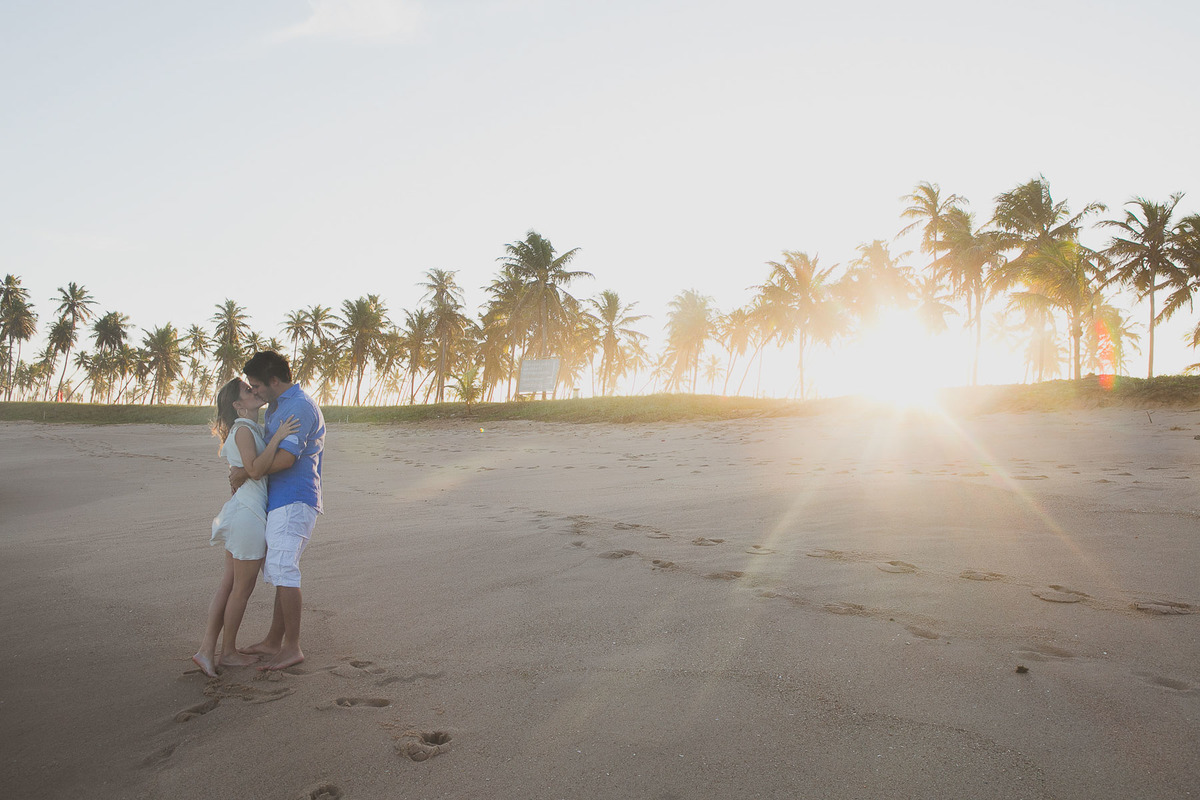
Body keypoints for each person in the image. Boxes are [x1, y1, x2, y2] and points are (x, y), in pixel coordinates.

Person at [193, 378, 299, 678]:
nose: (255, 391)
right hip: (249, 515)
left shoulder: (249, 428)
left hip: (245, 511)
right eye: (247, 391)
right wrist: (278, 437)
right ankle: (226, 652)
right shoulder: (243, 429)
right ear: (238, 405)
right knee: (241, 588)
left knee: (229, 584)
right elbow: (253, 469)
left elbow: (246, 470)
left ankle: (206, 650)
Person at [233, 350, 325, 671]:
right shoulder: (277, 407)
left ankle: (292, 647)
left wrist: (248, 471)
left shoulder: (299, 406)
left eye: (257, 385)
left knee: (285, 569)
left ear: (274, 381)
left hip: (295, 499)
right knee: (280, 568)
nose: (254, 390)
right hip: (280, 500)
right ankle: (274, 640)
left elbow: (286, 460)